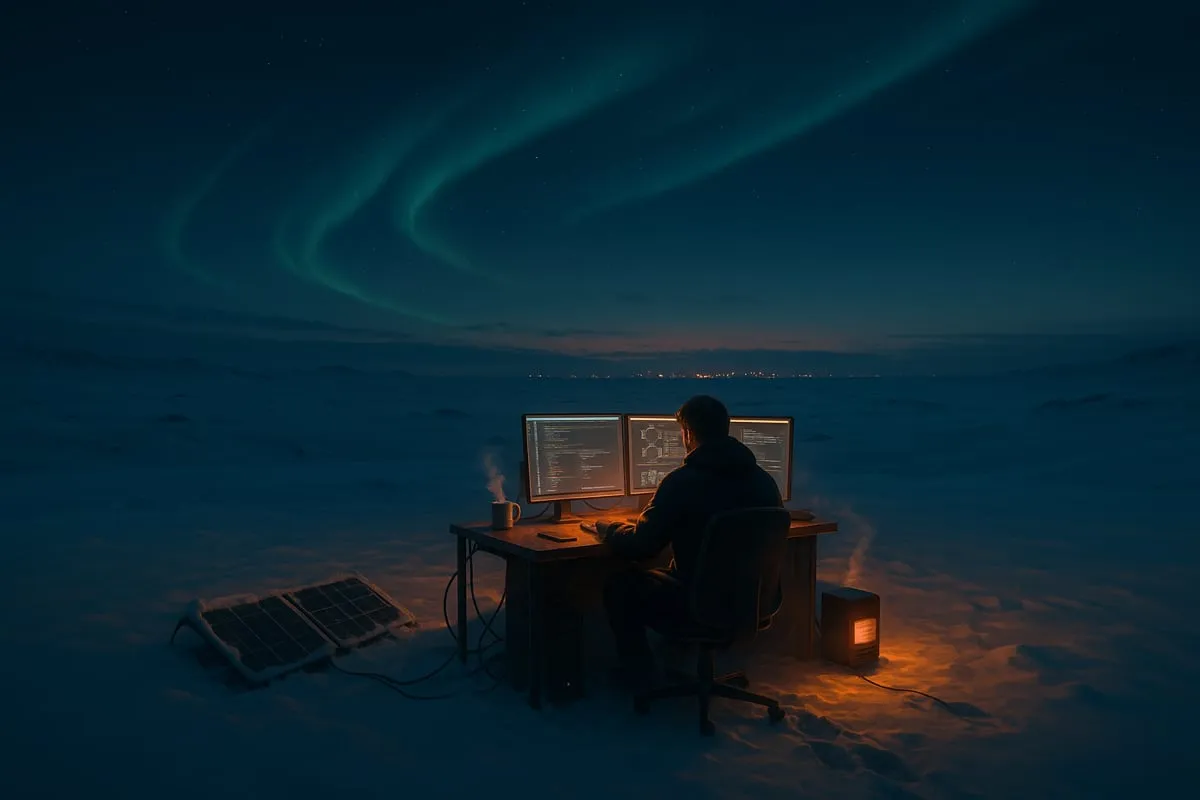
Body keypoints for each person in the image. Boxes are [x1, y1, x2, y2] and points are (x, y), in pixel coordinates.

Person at [591, 395, 784, 690]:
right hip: (754, 601)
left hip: (701, 604)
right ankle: (677, 658)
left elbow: (642, 546)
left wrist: (610, 529)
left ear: (688, 433)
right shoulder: (763, 481)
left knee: (621, 586)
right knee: (673, 574)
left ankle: (639, 676)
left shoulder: (682, 482)